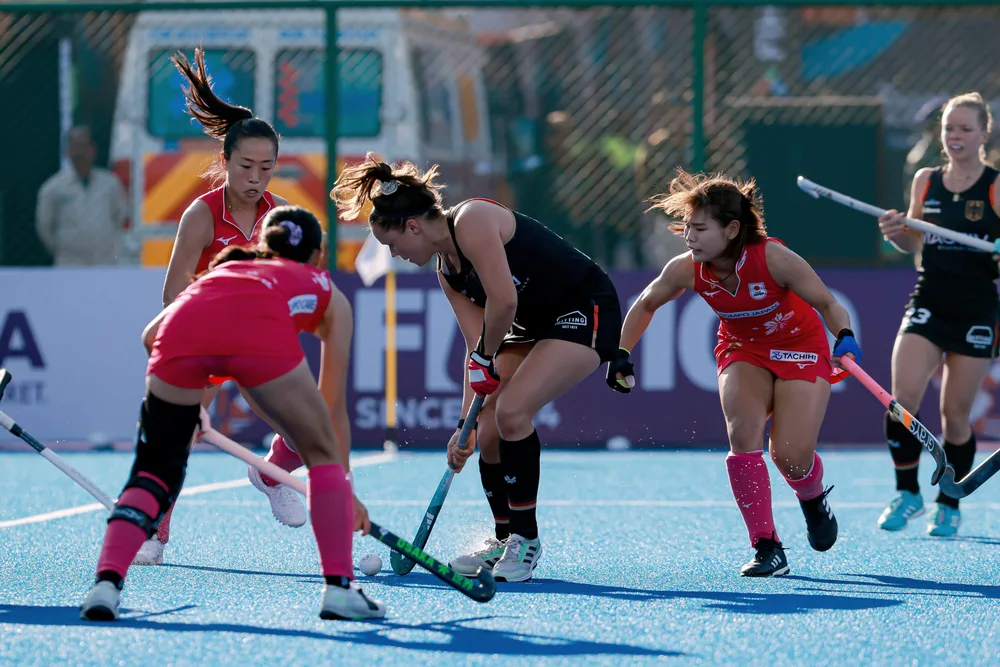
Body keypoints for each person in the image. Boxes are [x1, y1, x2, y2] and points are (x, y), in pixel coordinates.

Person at [79, 205, 385, 621]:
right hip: (259, 341)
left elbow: (151, 336)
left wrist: (189, 401)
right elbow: (331, 410)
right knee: (321, 452)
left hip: (181, 339)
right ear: (318, 255)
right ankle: (339, 591)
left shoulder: (221, 273)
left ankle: (105, 585)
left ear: (262, 245)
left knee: (153, 471)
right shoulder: (325, 289)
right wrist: (344, 488)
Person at [331, 153, 624, 582]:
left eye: (392, 244)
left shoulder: (473, 220)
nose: (395, 254)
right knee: (486, 430)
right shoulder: (447, 272)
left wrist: (486, 358)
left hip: (584, 308)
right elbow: (477, 347)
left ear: (412, 227)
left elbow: (503, 302)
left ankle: (526, 540)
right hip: (530, 326)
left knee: (512, 412)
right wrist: (462, 427)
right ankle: (504, 538)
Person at [608, 169, 861, 577]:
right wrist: (621, 353)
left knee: (790, 458)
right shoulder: (687, 268)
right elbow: (646, 303)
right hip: (743, 349)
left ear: (731, 229)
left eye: (700, 229)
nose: (689, 237)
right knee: (743, 434)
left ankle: (812, 497)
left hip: (800, 347)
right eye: (687, 227)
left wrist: (844, 335)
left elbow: (828, 304)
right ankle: (767, 546)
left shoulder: (773, 257)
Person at [134, 48, 302, 566]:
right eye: (246, 166)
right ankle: (153, 531)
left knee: (307, 427)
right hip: (202, 338)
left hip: (255, 342)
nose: (256, 177)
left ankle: (271, 472)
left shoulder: (283, 217)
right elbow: (173, 293)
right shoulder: (201, 215)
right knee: (174, 435)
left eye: (266, 168)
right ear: (225, 162)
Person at [876, 92, 1000, 537]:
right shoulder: (925, 180)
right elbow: (915, 242)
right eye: (949, 128)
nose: (955, 136)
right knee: (902, 400)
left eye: (965, 128)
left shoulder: (995, 186)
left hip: (976, 308)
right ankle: (907, 492)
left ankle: (948, 501)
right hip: (929, 298)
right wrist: (896, 233)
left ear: (983, 134)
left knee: (955, 416)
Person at [35, 125, 128, 266]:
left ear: (93, 150)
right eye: (75, 147)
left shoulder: (110, 184)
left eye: (84, 146)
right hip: (70, 263)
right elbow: (45, 227)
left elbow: (120, 218)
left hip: (104, 262)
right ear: (67, 151)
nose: (80, 152)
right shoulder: (53, 188)